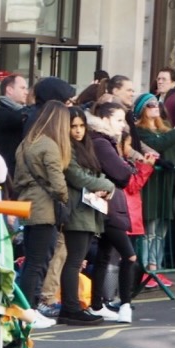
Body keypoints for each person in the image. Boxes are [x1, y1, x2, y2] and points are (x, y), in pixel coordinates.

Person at [13, 100, 71, 329]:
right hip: (45, 208)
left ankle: (28, 308)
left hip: (27, 205)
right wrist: (64, 199)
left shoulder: (26, 143)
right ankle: (29, 310)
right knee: (39, 263)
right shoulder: (50, 145)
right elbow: (59, 185)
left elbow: (17, 179)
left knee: (31, 262)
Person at [58, 107, 115, 326]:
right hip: (77, 210)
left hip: (89, 209)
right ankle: (70, 308)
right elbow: (79, 177)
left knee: (76, 260)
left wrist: (103, 186)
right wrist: (107, 185)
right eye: (74, 126)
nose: (78, 131)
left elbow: (95, 173)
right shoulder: (67, 149)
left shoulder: (85, 147)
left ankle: (72, 307)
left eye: (82, 126)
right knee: (74, 261)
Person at [89, 101, 137, 322]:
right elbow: (123, 174)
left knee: (104, 256)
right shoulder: (102, 143)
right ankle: (125, 304)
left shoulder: (104, 142)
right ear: (106, 119)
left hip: (108, 206)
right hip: (108, 208)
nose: (123, 125)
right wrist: (126, 167)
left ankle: (97, 304)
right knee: (129, 256)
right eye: (119, 120)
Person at [133, 93, 175, 287]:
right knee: (149, 228)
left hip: (165, 186)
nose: (155, 107)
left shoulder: (164, 129)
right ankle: (147, 269)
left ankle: (156, 266)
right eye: (150, 105)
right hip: (150, 186)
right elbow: (158, 144)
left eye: (157, 103)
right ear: (142, 109)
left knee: (162, 229)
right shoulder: (139, 131)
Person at [0, 73, 29, 178]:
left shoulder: (21, 111)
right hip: (9, 173)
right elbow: (20, 118)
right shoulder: (2, 114)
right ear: (9, 90)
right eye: (22, 88)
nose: (26, 92)